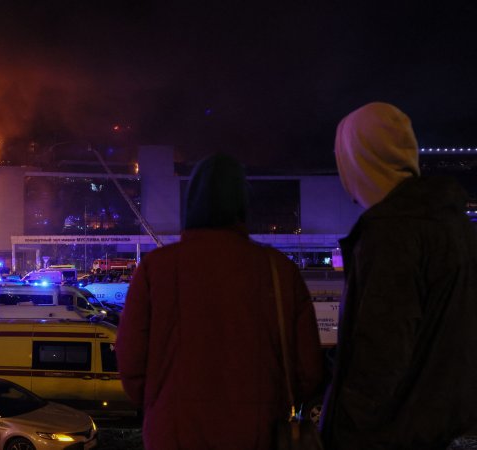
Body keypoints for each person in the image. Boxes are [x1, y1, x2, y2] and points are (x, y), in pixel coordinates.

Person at [116, 154, 323, 449]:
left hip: (173, 434)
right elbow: (309, 371)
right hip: (260, 435)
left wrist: (160, 403)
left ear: (190, 203)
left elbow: (131, 364)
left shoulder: (154, 269)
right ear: (243, 204)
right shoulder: (280, 271)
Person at [321, 102, 477, 449]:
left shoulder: (391, 232)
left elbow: (380, 354)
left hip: (390, 435)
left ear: (359, 162)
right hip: (438, 427)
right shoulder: (453, 223)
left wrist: (342, 431)